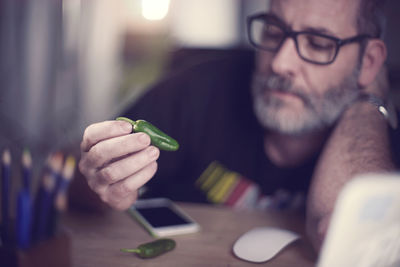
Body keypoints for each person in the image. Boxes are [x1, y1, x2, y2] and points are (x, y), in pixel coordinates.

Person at [78, 0, 400, 251]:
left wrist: (368, 103)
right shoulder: (196, 89)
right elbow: (76, 186)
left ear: (369, 62)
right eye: (273, 32)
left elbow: (349, 240)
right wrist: (98, 180)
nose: (280, 63)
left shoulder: (378, 142)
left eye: (317, 44)